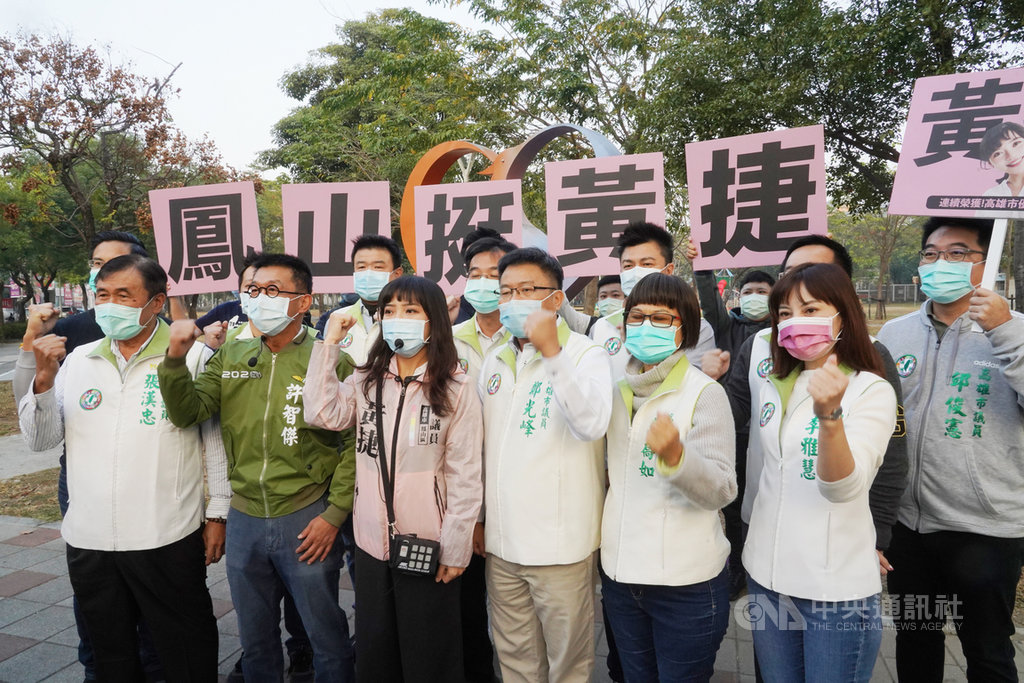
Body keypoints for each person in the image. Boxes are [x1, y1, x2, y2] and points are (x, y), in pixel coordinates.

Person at [18, 254, 220, 681]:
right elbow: (40, 441)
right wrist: (43, 379)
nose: (110, 305)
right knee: (110, 653)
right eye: (103, 295)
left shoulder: (193, 356)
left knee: (184, 649)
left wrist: (217, 512)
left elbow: (215, 444)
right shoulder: (79, 359)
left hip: (164, 535)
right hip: (89, 538)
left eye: (124, 295)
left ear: (157, 302)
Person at [157, 253, 356, 682]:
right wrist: (174, 361)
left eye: (271, 291)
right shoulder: (232, 353)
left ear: (303, 302)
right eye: (252, 290)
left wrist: (334, 514)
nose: (258, 299)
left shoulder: (330, 358)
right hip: (245, 514)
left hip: (307, 514)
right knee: (255, 635)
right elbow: (188, 411)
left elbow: (354, 443)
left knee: (325, 632)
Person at [304, 275, 483, 682]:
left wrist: (455, 548)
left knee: (429, 654)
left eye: (410, 310)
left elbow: (466, 473)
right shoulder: (367, 380)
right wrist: (328, 343)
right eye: (389, 311)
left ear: (433, 322)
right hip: (370, 542)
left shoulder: (456, 387)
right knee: (376, 650)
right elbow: (321, 413)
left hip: (428, 544)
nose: (397, 318)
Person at [12, 230, 164, 681]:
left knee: (154, 582)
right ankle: (98, 664)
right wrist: (31, 341)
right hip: (83, 477)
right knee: (96, 583)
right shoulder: (73, 332)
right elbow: (31, 409)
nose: (105, 272)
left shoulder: (169, 332)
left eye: (117, 265)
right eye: (98, 265)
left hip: (149, 480)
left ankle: (155, 664)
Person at [877, 216, 1024, 682]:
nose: (941, 263)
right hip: (908, 527)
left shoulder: (1014, 330)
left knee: (987, 651)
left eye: (958, 253)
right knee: (915, 637)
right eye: (931, 254)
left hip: (983, 528)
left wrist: (1003, 331)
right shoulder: (894, 335)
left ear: (985, 265)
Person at [743, 262, 897, 682]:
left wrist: (830, 416)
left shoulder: (870, 390)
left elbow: (844, 487)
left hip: (832, 590)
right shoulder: (775, 382)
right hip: (767, 577)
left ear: (843, 315)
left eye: (810, 310)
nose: (795, 323)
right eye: (785, 314)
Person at [725, 235, 908, 579]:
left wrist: (879, 535)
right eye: (789, 273)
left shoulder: (872, 357)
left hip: (834, 538)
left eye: (813, 272)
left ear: (841, 289)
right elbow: (735, 409)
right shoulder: (760, 345)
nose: (797, 282)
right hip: (765, 520)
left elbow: (892, 456)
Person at [478, 247, 613, 682]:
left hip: (560, 548)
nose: (514, 300)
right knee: (515, 656)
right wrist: (479, 519)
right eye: (506, 292)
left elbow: (591, 424)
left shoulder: (587, 354)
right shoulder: (495, 357)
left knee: (567, 662)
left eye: (527, 290)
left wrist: (553, 354)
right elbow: (483, 447)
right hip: (501, 544)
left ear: (556, 299)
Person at [600, 273, 736, 681]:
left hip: (685, 585)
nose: (646, 326)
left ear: (686, 328)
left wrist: (677, 457)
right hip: (622, 579)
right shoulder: (615, 391)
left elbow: (723, 489)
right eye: (637, 316)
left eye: (662, 318)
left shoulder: (704, 393)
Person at [451, 228, 517, 683]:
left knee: (518, 610)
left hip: (516, 489)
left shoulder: (533, 340)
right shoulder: (448, 338)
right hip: (464, 489)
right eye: (475, 273)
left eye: (494, 274)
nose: (483, 282)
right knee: (468, 602)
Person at [314, 235, 403, 364]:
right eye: (361, 267)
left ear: (397, 273)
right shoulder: (337, 318)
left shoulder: (410, 319)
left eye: (378, 267)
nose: (368, 274)